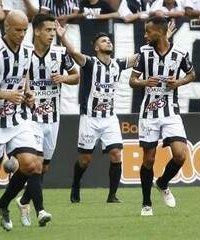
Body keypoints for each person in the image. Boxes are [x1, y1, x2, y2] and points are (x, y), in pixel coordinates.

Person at [0, 13, 79, 227]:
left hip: (53, 118)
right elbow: (16, 80)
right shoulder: (25, 54)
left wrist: (64, 78)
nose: (52, 34)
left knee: (41, 168)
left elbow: (76, 75)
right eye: (48, 30)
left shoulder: (60, 54)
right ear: (37, 31)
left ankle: (13, 203)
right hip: (28, 118)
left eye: (54, 30)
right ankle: (40, 210)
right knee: (35, 165)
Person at [0, 10, 51, 234]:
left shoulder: (28, 49)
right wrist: (6, 94)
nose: (22, 34)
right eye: (18, 30)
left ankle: (3, 204)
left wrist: (28, 93)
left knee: (32, 164)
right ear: (6, 27)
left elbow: (23, 73)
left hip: (17, 118)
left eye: (25, 30)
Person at [56, 22, 139, 203]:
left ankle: (112, 195)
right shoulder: (91, 63)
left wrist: (159, 40)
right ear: (96, 47)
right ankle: (76, 185)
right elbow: (75, 54)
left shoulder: (118, 64)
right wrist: (62, 37)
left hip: (109, 117)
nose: (108, 42)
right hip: (90, 118)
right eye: (103, 41)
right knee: (85, 159)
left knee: (116, 154)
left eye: (109, 40)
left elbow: (139, 57)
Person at [129, 16, 196, 216]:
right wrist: (144, 82)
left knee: (180, 154)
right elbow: (132, 81)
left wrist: (178, 83)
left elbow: (192, 74)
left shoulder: (180, 53)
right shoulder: (143, 53)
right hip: (148, 112)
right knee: (148, 160)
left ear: (159, 31)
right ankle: (146, 203)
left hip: (170, 111)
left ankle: (163, 182)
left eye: (148, 32)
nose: (145, 35)